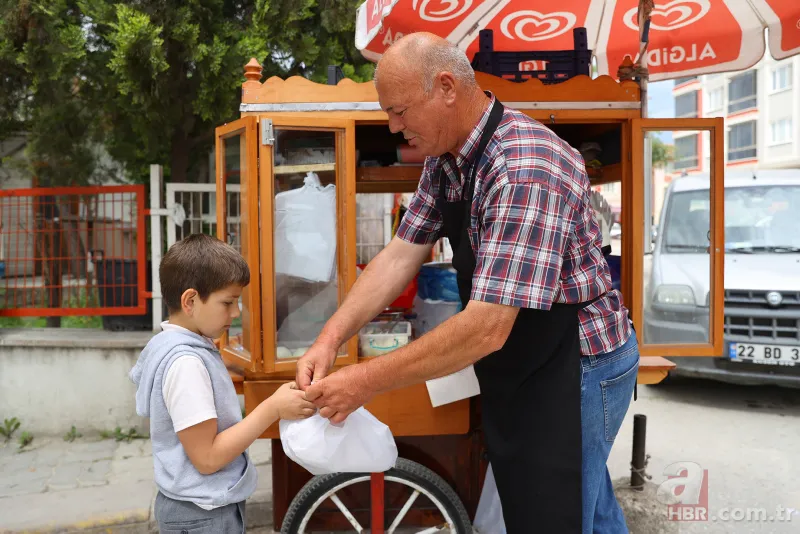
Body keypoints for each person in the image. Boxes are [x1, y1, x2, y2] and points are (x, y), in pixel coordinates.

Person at [296, 33, 639, 533]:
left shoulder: (524, 167)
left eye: (399, 111)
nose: (394, 128)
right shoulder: (447, 159)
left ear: (446, 87)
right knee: (586, 504)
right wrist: (330, 339)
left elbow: (486, 328)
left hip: (578, 364)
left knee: (558, 512)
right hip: (526, 355)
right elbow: (399, 255)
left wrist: (362, 382)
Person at [130, 234, 315, 533]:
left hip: (197, 508)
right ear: (190, 300)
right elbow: (207, 458)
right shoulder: (186, 364)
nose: (236, 312)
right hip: (202, 515)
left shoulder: (176, 344)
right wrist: (273, 408)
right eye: (228, 302)